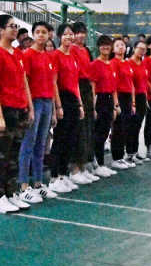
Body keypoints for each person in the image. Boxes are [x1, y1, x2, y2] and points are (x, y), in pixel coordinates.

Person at [0, 15, 34, 213]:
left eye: (16, 26)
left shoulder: (18, 54)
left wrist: (29, 107)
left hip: (19, 110)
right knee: (1, 156)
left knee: (14, 155)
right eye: (11, 26)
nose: (15, 29)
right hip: (4, 110)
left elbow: (24, 82)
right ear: (0, 30)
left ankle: (11, 193)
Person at [18, 21, 58, 202]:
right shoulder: (27, 55)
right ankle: (23, 186)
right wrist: (30, 108)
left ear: (49, 35)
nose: (41, 35)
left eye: (44, 32)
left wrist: (55, 110)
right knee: (28, 144)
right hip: (34, 103)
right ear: (33, 35)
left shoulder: (49, 57)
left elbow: (52, 84)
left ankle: (38, 183)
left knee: (41, 145)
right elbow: (24, 82)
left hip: (47, 102)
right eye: (38, 32)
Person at [48, 23, 85, 194]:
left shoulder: (73, 56)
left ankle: (63, 175)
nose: (69, 37)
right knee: (60, 139)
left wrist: (80, 104)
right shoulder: (56, 55)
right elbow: (54, 82)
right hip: (62, 99)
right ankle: (54, 177)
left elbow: (75, 83)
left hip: (73, 100)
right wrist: (58, 106)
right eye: (65, 34)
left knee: (70, 139)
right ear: (59, 37)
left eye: (71, 34)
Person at [89, 35, 120, 177]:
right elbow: (93, 87)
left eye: (108, 44)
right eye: (102, 45)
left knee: (105, 132)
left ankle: (100, 163)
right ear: (98, 47)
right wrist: (93, 107)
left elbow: (113, 87)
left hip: (109, 101)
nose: (105, 47)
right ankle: (97, 163)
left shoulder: (111, 64)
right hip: (100, 100)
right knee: (99, 134)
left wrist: (115, 106)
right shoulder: (95, 64)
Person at [71, 21, 96, 181]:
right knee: (78, 129)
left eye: (83, 32)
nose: (80, 35)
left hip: (86, 88)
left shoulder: (86, 50)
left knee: (87, 128)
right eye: (77, 32)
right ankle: (75, 169)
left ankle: (83, 165)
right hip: (76, 87)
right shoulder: (72, 50)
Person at [111, 37, 137, 169]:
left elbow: (131, 83)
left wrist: (133, 102)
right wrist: (116, 104)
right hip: (119, 97)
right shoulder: (113, 63)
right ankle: (116, 158)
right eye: (117, 45)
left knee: (125, 127)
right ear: (113, 49)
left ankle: (121, 157)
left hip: (127, 98)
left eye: (122, 45)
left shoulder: (127, 63)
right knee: (118, 128)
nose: (120, 47)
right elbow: (113, 85)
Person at [128, 40, 149, 162]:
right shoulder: (129, 63)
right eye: (139, 48)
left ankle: (135, 152)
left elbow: (144, 82)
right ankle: (130, 153)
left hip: (142, 97)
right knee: (133, 126)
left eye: (144, 49)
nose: (142, 51)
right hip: (133, 97)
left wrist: (145, 98)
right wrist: (133, 102)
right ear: (134, 48)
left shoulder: (143, 63)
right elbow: (130, 83)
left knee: (138, 126)